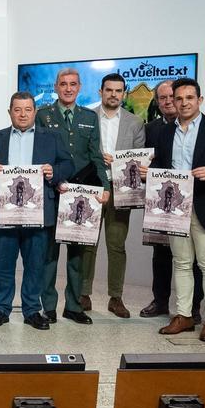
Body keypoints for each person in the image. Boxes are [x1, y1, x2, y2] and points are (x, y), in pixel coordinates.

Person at [148, 78, 205, 342]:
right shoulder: (165, 133)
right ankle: (184, 316)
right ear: (172, 101)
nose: (184, 103)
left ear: (199, 100)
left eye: (189, 98)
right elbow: (163, 167)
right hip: (175, 207)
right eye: (179, 98)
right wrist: (148, 174)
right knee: (182, 263)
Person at [0, 92, 74, 329]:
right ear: (9, 112)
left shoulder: (52, 137)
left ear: (35, 112)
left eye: (27, 109)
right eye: (17, 109)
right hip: (5, 212)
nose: (22, 114)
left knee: (35, 264)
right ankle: (1, 309)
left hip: (38, 212)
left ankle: (32, 309)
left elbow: (68, 164)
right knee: (3, 264)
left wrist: (53, 171)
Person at [35, 68, 109, 324]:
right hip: (54, 192)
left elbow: (96, 156)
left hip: (82, 196)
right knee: (49, 254)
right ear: (55, 87)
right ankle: (50, 306)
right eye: (63, 84)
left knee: (78, 254)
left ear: (79, 88)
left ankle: (74, 306)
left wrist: (105, 187)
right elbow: (39, 154)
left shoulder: (89, 117)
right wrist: (54, 180)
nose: (68, 88)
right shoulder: (43, 115)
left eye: (73, 84)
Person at [78, 73, 145, 318]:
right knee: (87, 244)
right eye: (109, 90)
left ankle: (115, 297)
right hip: (92, 187)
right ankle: (83, 294)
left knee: (116, 245)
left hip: (121, 191)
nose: (113, 95)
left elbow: (140, 159)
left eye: (118, 91)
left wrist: (117, 162)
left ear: (124, 94)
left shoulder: (135, 122)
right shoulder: (87, 117)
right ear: (100, 92)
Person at [140, 79, 203, 320]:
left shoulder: (202, 127)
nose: (168, 102)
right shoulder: (153, 129)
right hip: (162, 204)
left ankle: (193, 307)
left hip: (196, 201)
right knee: (161, 254)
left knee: (193, 258)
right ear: (157, 102)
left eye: (172, 97)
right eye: (163, 98)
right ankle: (160, 300)